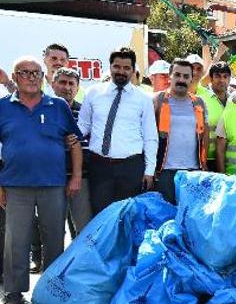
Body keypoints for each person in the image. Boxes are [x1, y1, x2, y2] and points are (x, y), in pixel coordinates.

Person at [0, 56, 83, 304]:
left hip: (54, 185)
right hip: (16, 185)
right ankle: (13, 294)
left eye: (36, 73)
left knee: (55, 239)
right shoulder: (2, 107)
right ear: (14, 78)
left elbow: (74, 144)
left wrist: (76, 177)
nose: (31, 77)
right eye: (24, 72)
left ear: (43, 77)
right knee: (16, 242)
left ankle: (51, 292)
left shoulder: (58, 106)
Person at [78, 47, 158, 215]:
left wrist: (149, 171)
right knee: (100, 216)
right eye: (117, 67)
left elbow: (150, 137)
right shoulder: (93, 93)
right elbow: (83, 126)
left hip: (131, 167)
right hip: (99, 165)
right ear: (110, 67)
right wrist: (70, 136)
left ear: (133, 70)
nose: (121, 71)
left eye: (126, 68)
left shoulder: (143, 99)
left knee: (127, 216)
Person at [152, 60, 208, 204]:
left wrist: (204, 165)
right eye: (177, 75)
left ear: (191, 79)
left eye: (185, 76)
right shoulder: (157, 100)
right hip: (164, 171)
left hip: (193, 170)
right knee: (165, 214)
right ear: (170, 76)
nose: (181, 80)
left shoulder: (199, 103)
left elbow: (204, 135)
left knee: (190, 215)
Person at [51, 67, 92, 236]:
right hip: (51, 181)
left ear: (77, 88)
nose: (67, 87)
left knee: (85, 229)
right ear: (53, 85)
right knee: (52, 231)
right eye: (62, 82)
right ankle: (48, 262)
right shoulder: (42, 110)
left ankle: (83, 263)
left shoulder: (86, 112)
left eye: (71, 84)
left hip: (81, 179)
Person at [204, 61, 235, 172]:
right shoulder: (203, 98)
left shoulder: (234, 101)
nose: (222, 80)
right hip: (207, 159)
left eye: (225, 76)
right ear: (211, 78)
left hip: (228, 158)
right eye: (217, 76)